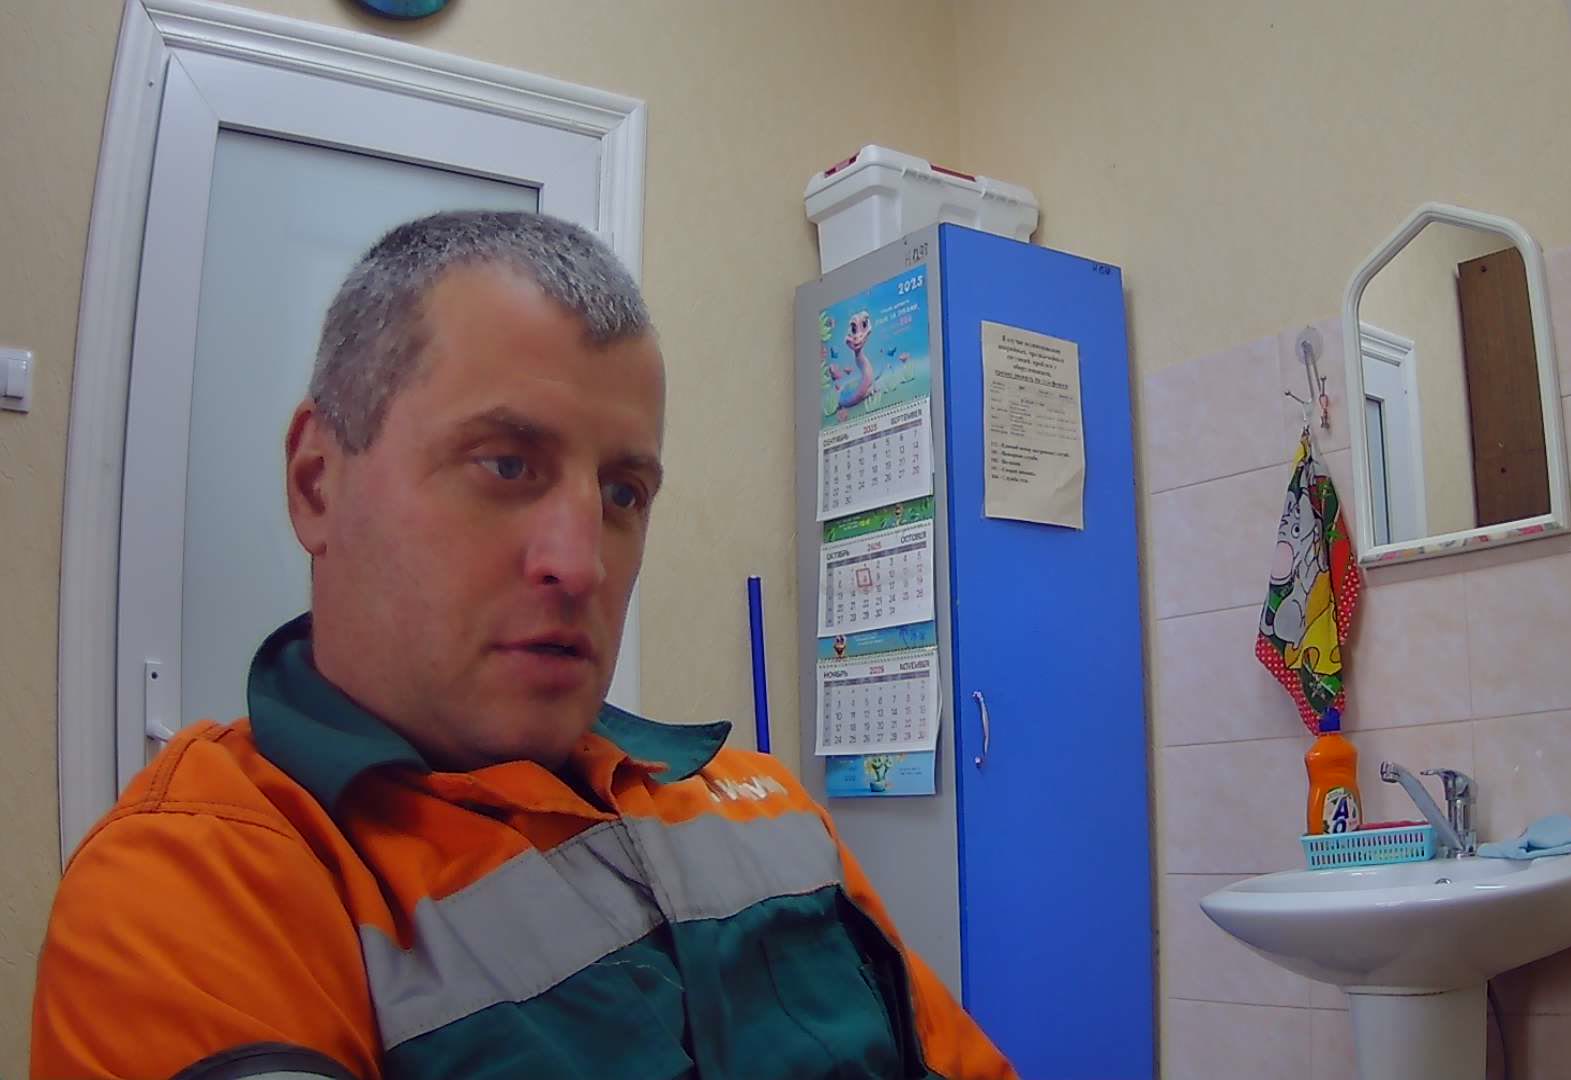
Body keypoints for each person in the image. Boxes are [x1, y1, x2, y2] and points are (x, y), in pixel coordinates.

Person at [32, 211, 1014, 1080]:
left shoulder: (769, 807)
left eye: (623, 493)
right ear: (317, 481)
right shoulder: (199, 886)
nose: (581, 564)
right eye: (506, 465)